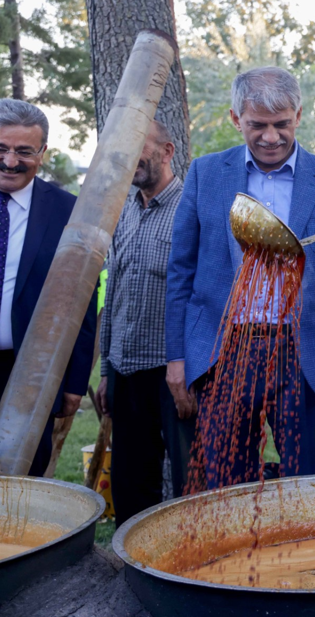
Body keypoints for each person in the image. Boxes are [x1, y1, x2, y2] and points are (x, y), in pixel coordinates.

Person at [165, 67, 315, 488]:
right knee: (226, 482)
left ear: (299, 114)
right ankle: (236, 552)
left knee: (306, 481)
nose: (271, 137)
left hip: (302, 355)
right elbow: (181, 273)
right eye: (258, 125)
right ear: (236, 119)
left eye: (282, 124)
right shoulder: (206, 175)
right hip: (225, 352)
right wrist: (178, 358)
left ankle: (305, 553)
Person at [95, 121, 196, 526]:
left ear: (167, 151)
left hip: (177, 374)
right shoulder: (124, 209)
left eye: (138, 149)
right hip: (126, 370)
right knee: (130, 482)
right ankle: (132, 570)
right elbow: (113, 291)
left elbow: (206, 299)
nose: (128, 161)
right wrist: (107, 372)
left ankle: (195, 572)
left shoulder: (194, 207)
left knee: (192, 480)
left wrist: (188, 365)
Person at [0, 99, 96, 477]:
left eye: (23, 151)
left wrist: (74, 383)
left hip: (32, 375)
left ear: (43, 153)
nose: (10, 162)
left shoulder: (69, 211)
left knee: (22, 489)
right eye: (2, 149)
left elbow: (82, 298)